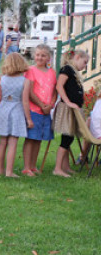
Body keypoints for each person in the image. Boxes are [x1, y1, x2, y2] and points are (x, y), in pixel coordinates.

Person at [52, 49, 88, 177]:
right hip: (67, 109)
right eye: (84, 62)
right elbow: (59, 86)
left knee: (70, 137)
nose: (85, 66)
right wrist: (68, 102)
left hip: (73, 109)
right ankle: (57, 168)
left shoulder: (73, 71)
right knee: (66, 138)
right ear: (77, 57)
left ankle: (65, 166)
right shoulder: (67, 69)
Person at [0, 52, 29, 177]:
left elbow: (1, 97)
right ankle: (9, 171)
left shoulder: (3, 79)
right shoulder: (25, 81)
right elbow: (24, 101)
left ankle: (1, 170)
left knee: (3, 142)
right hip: (17, 110)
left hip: (3, 110)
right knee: (13, 142)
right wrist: (28, 119)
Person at [21, 44, 56, 175]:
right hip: (34, 110)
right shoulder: (30, 70)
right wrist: (42, 105)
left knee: (38, 139)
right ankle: (26, 167)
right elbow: (29, 91)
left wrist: (51, 104)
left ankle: (33, 165)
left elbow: (54, 91)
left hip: (46, 111)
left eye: (43, 55)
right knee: (31, 138)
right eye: (37, 55)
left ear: (49, 58)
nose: (40, 57)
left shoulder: (52, 72)